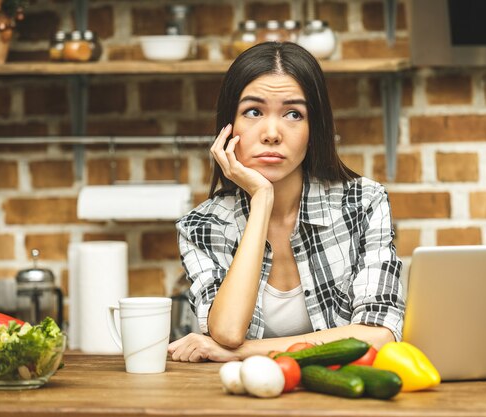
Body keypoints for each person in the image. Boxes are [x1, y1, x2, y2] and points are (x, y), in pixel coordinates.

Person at [168, 42, 404, 363]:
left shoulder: (364, 203)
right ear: (228, 126)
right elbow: (226, 332)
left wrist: (249, 351)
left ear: (314, 128)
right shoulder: (202, 226)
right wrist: (262, 199)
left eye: (294, 114)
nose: (272, 133)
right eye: (253, 111)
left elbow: (379, 334)